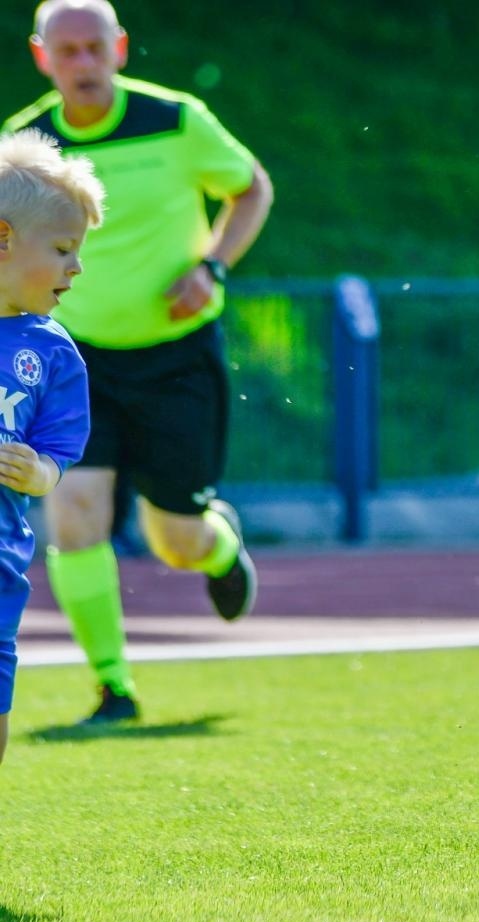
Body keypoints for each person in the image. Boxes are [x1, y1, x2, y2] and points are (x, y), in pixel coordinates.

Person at [5, 0, 274, 725]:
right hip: (73, 359)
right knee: (75, 512)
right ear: (42, 57)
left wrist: (212, 268)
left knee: (175, 537)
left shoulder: (178, 120)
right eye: (68, 52)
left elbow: (252, 188)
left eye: (96, 48)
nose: (83, 64)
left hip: (177, 358)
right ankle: (113, 687)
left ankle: (217, 549)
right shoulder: (21, 146)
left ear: (120, 47)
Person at [0, 128, 103, 765]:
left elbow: (57, 452)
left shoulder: (53, 352)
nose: (77, 267)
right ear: (3, 238)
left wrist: (38, 473)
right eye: (63, 249)